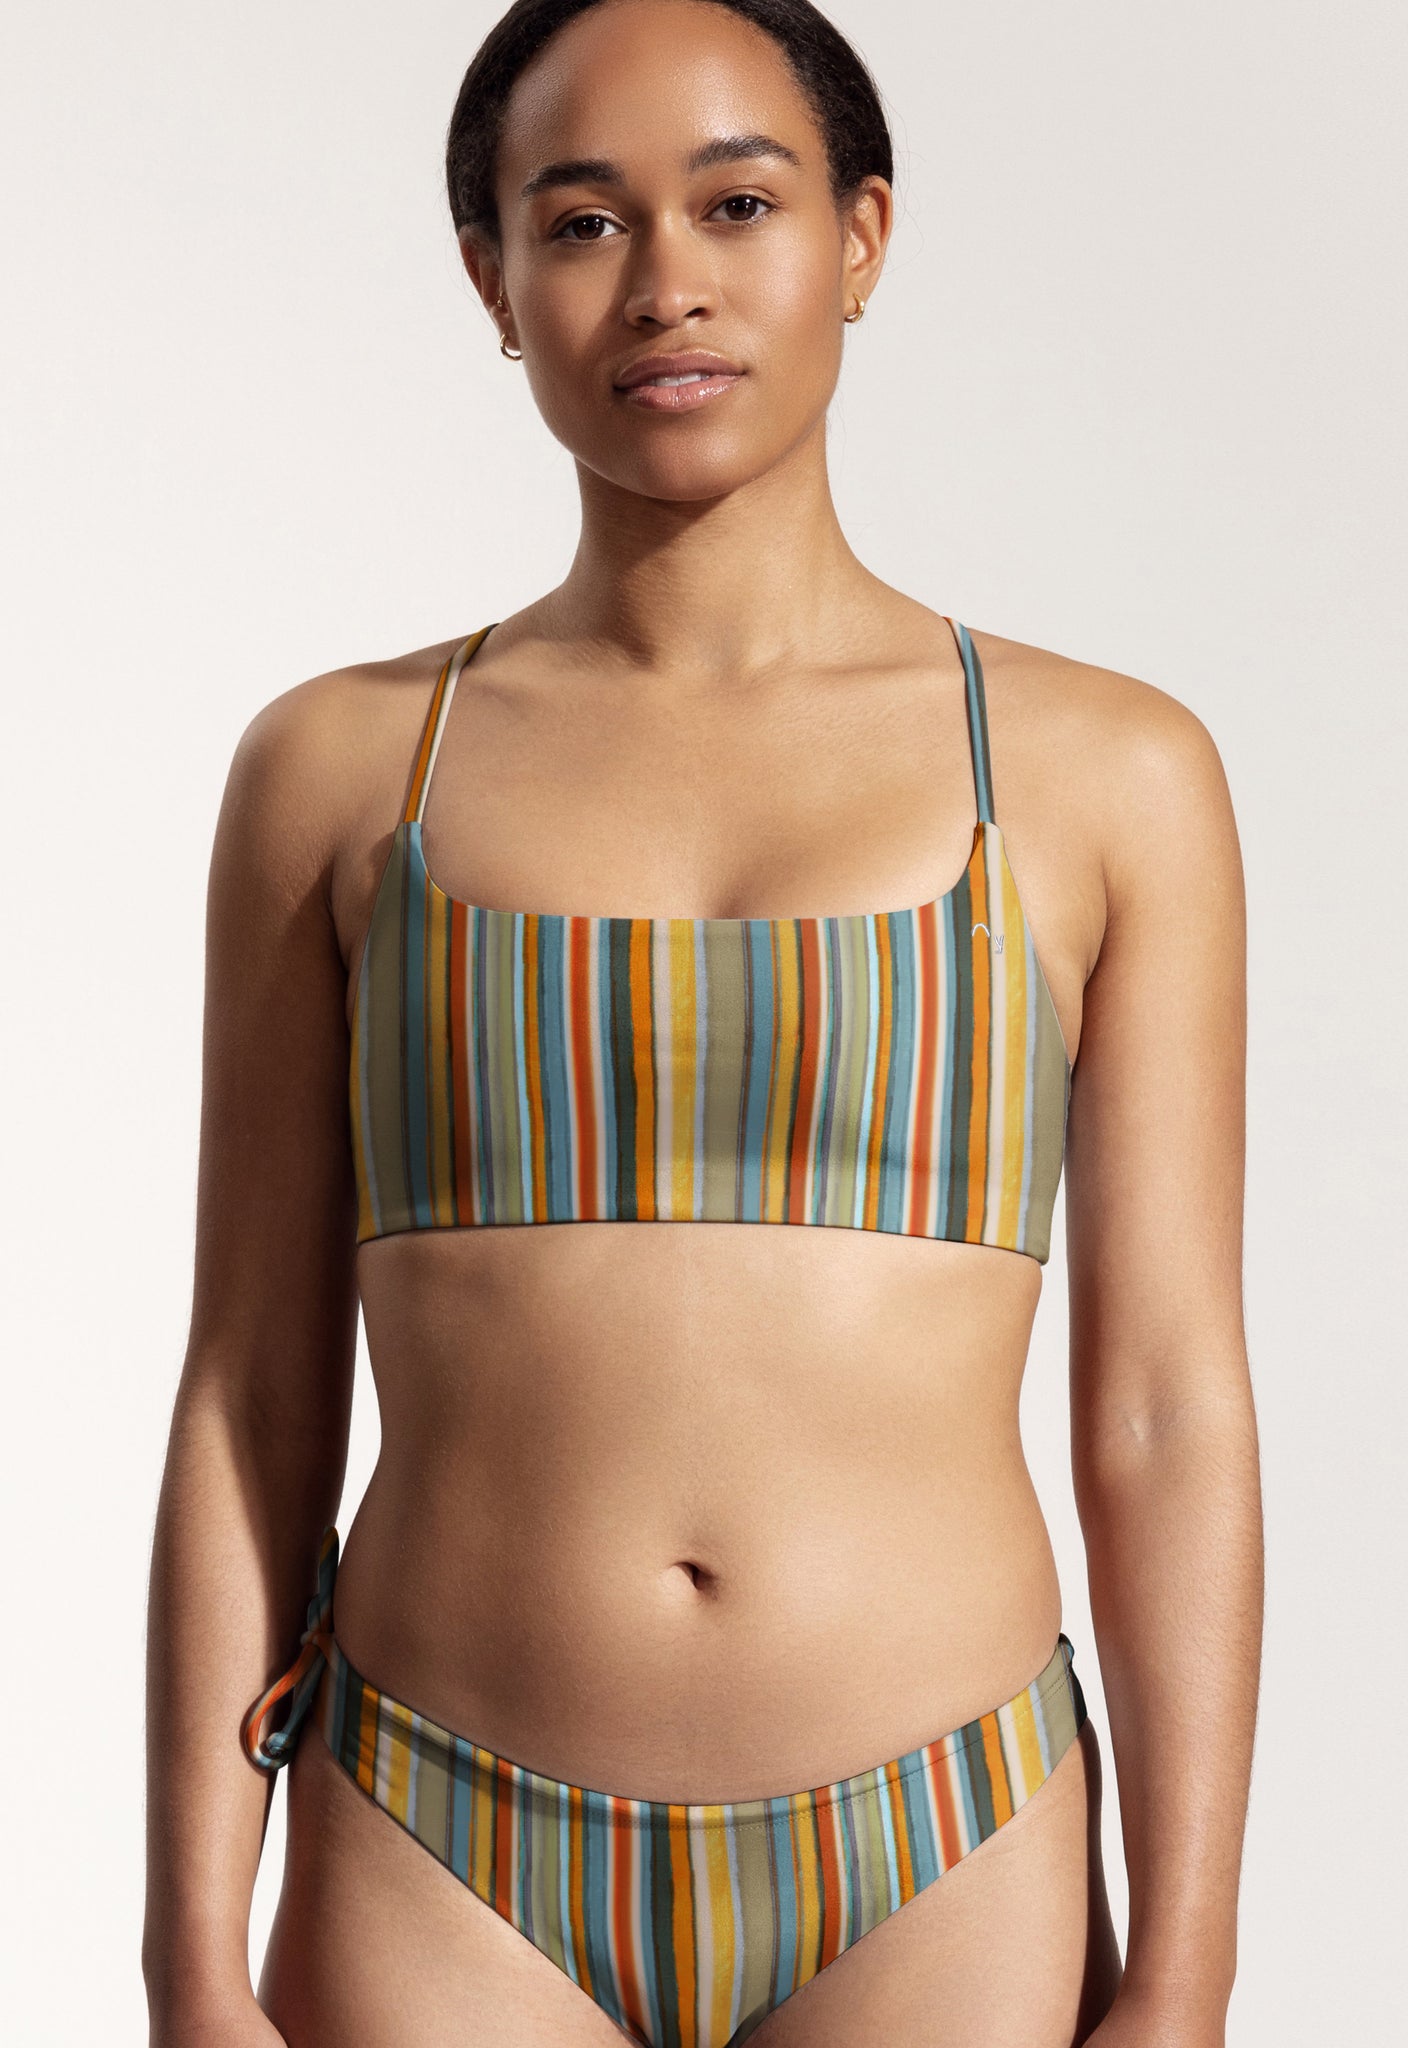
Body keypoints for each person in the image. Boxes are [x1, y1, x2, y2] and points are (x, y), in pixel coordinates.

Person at [142, 3, 1263, 2043]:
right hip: (436, 1835)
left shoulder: (1108, 775)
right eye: (581, 222)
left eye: (736, 204)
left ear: (859, 236)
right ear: (490, 278)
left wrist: (1186, 1961)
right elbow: (250, 1395)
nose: (664, 281)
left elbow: (1165, 1405)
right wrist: (185, 1956)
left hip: (944, 1836)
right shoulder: (340, 773)